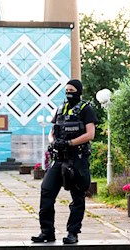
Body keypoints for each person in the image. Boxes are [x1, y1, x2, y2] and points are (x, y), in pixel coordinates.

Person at [31, 79, 97, 244]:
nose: (68, 93)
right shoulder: (60, 109)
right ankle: (47, 232)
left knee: (77, 197)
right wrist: (53, 141)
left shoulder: (85, 109)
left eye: (72, 90)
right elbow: (53, 131)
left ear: (79, 91)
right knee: (46, 192)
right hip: (59, 159)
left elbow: (90, 134)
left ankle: (72, 233)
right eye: (66, 89)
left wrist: (70, 143)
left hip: (77, 159)